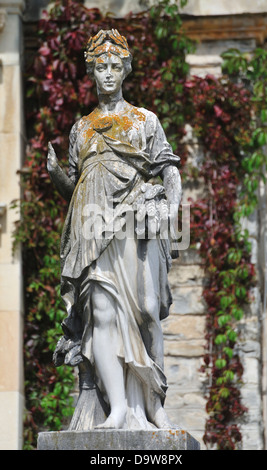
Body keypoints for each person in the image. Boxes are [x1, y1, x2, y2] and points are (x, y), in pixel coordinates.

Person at [47, 29, 182, 430]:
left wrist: (171, 210)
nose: (107, 74)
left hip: (135, 224)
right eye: (100, 67)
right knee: (102, 315)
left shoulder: (144, 120)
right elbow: (76, 186)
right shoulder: (81, 129)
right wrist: (57, 176)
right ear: (92, 73)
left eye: (114, 67)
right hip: (90, 228)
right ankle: (119, 406)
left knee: (147, 310)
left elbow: (168, 168)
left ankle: (155, 402)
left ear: (125, 70)